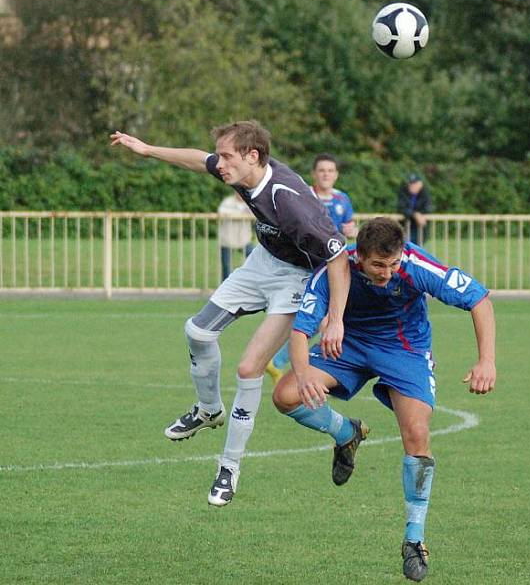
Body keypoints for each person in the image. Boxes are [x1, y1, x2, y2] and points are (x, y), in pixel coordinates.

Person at [110, 121, 350, 507]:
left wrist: (334, 317)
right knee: (198, 332)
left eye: (226, 157)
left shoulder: (290, 202)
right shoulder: (242, 172)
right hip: (263, 263)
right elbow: (197, 160)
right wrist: (148, 149)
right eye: (220, 156)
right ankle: (208, 409)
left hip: (298, 279)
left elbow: (338, 258)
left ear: (252, 156)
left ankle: (229, 467)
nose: (218, 164)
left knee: (249, 368)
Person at [272, 217, 496, 582]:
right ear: (359, 256)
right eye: (378, 264)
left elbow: (480, 299)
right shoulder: (336, 267)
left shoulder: (413, 264)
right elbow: (300, 331)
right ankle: (346, 433)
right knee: (286, 394)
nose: (386, 272)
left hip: (404, 351)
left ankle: (414, 538)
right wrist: (301, 374)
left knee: (417, 433)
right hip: (348, 345)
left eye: (392, 264)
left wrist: (486, 360)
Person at [266, 153, 358, 380]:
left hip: (332, 265)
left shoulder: (342, 199)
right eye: (322, 170)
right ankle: (296, 366)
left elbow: (349, 228)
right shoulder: (305, 194)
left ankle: (279, 361)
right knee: (319, 318)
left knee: (320, 319)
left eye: (330, 170)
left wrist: (351, 231)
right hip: (309, 264)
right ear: (314, 174)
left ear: (336, 175)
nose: (326, 174)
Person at [217, 192, 255, 281]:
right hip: (228, 238)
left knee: (253, 259)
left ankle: (252, 282)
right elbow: (221, 212)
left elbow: (255, 214)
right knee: (226, 265)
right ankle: (225, 287)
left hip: (244, 239)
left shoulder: (248, 202)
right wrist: (240, 213)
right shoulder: (228, 202)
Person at [397, 172, 432, 244]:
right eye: (410, 183)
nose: (411, 186)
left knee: (417, 249)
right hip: (405, 225)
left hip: (419, 227)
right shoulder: (403, 192)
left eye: (414, 183)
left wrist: (419, 215)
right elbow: (401, 208)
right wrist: (414, 214)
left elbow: (428, 208)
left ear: (420, 184)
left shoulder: (425, 193)